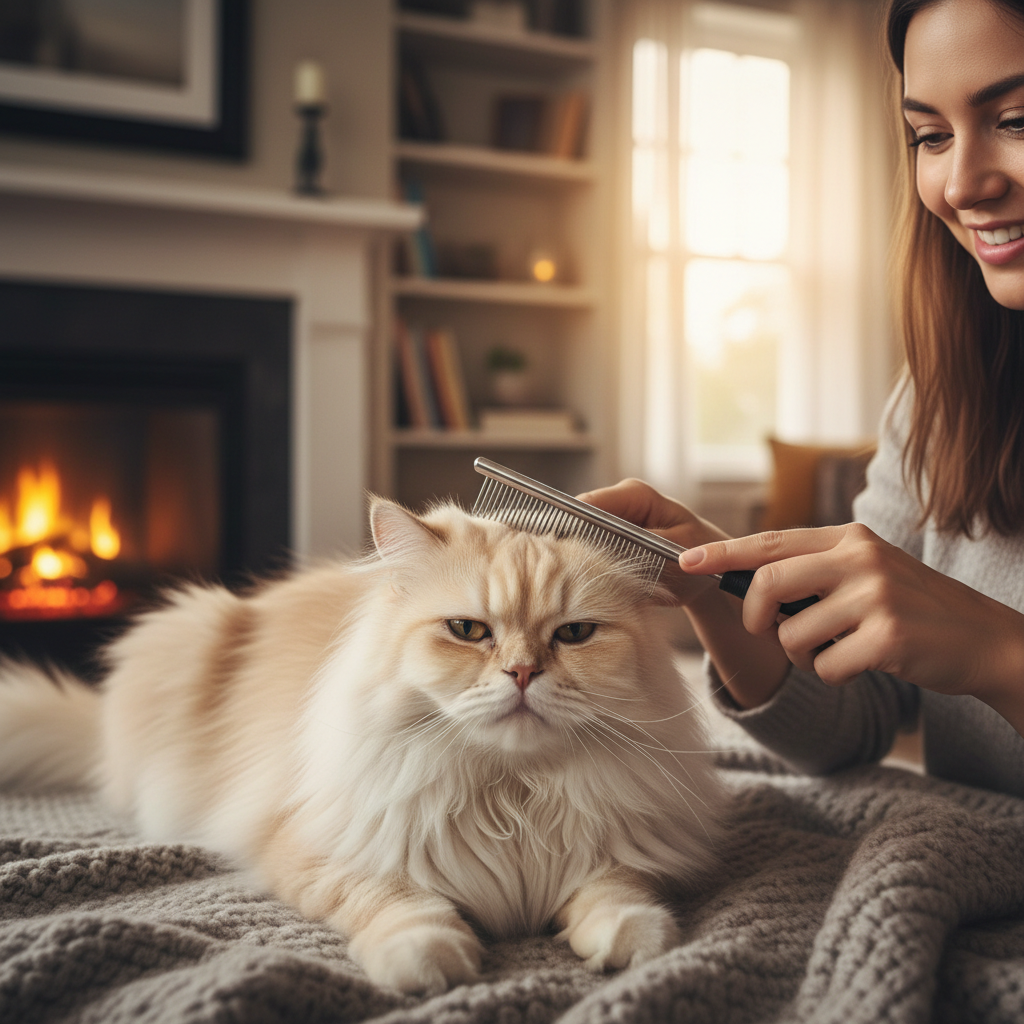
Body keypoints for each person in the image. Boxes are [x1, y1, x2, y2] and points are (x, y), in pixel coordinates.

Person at [582, 0, 1024, 798]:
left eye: (1018, 119)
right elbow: (852, 723)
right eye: (931, 136)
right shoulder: (937, 398)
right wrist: (715, 593)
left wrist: (1000, 654)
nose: (962, 184)